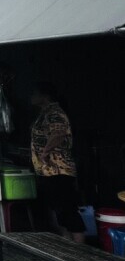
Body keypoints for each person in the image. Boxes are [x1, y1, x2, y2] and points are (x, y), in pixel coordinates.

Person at [30, 82, 85, 242]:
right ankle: (67, 245)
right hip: (49, 171)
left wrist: (45, 152)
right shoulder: (44, 113)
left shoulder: (54, 112)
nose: (31, 97)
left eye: (35, 93)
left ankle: (81, 251)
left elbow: (59, 133)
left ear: (44, 96)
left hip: (59, 169)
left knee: (68, 211)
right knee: (59, 211)